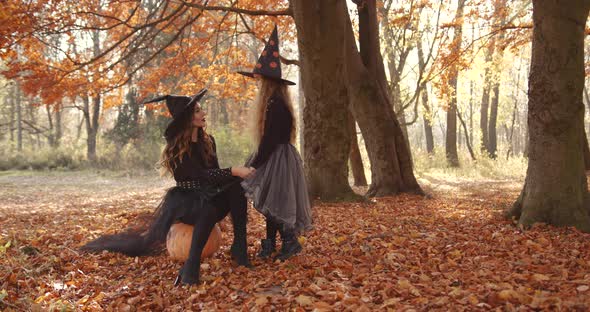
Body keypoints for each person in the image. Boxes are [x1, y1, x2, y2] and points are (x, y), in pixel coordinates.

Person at [81, 89, 255, 285]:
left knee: (237, 186)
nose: (203, 113)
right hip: (187, 202)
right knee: (209, 206)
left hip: (209, 194)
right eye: (198, 111)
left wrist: (236, 175)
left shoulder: (209, 141)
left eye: (201, 110)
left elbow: (214, 174)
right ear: (187, 118)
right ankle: (191, 264)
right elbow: (201, 175)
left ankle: (239, 247)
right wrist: (233, 170)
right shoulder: (177, 147)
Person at [238, 25, 313, 261]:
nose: (258, 84)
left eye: (260, 80)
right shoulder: (276, 103)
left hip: (277, 158)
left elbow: (271, 138)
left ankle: (289, 243)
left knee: (277, 202)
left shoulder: (275, 105)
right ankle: (271, 243)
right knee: (272, 202)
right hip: (276, 156)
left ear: (269, 82)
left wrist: (256, 163)